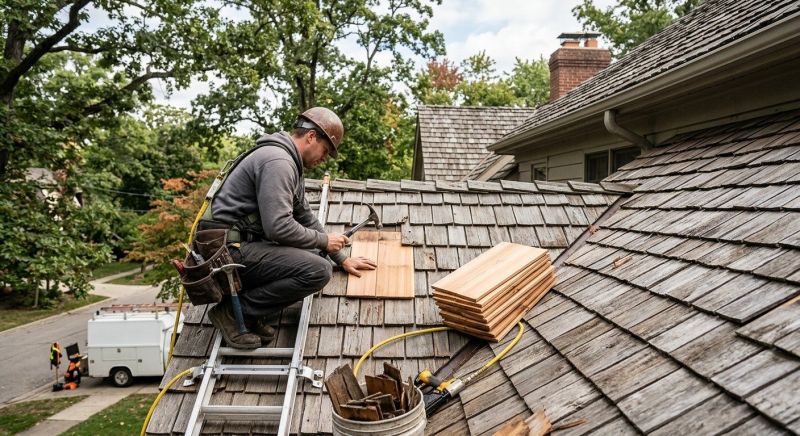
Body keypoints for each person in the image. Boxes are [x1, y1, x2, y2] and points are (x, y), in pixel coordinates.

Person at [198, 107, 377, 348]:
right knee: (318, 270)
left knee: (317, 254)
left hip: (242, 244)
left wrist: (341, 258)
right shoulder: (278, 162)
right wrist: (324, 242)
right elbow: (278, 227)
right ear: (311, 136)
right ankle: (235, 312)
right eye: (325, 151)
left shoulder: (289, 163)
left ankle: (247, 309)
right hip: (225, 251)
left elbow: (305, 217)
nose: (324, 159)